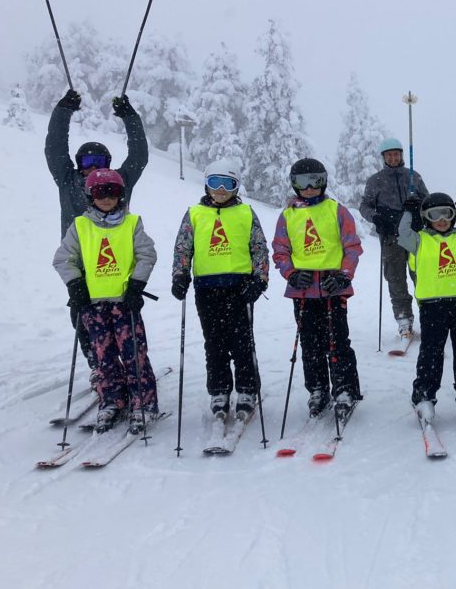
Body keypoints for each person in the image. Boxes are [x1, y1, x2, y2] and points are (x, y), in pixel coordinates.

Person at [45, 90, 149, 379]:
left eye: (99, 161)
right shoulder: (68, 180)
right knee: (82, 314)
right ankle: (98, 364)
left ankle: (128, 367)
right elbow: (55, 148)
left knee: (121, 317)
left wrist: (129, 116)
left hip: (116, 263)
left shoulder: (119, 183)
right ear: (79, 164)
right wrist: (63, 110)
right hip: (81, 259)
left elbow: (139, 155)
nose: (93, 168)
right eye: (87, 161)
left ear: (108, 163)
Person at [52, 169, 159, 434]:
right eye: (101, 193)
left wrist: (137, 284)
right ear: (91, 196)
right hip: (94, 304)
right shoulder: (80, 226)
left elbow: (147, 254)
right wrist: (75, 285)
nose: (107, 198)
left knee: (134, 353)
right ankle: (112, 400)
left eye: (113, 192)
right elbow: (63, 259)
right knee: (104, 355)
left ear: (121, 195)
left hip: (124, 303)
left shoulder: (132, 223)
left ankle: (143, 403)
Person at [171, 160, 269, 420]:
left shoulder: (246, 213)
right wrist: (180, 275)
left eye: (228, 184)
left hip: (240, 287)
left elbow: (259, 248)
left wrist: (259, 279)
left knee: (242, 342)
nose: (221, 190)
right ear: (206, 184)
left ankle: (247, 388)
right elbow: (183, 248)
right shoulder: (195, 213)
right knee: (214, 342)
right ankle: (219, 389)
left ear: (236, 187)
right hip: (207, 287)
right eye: (215, 183)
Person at [272, 159, 363, 419]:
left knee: (337, 340)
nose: (310, 188)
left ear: (324, 181)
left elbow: (352, 246)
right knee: (310, 343)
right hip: (303, 290)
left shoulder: (337, 210)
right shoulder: (288, 215)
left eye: (315, 181)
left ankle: (345, 389)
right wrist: (290, 273)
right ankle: (318, 389)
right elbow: (280, 250)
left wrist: (344, 276)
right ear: (293, 184)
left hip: (332, 287)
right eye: (302, 182)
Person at [398, 190, 456, 423]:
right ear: (426, 217)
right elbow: (402, 233)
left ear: (453, 216)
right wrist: (408, 211)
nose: (441, 219)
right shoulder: (419, 240)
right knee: (431, 352)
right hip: (432, 306)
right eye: (434, 214)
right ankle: (425, 396)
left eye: (447, 214)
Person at [360, 137, 428, 340]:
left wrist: (419, 207)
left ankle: (428, 313)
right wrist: (376, 217)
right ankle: (403, 319)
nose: (393, 157)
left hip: (415, 235)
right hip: (391, 236)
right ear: (383, 157)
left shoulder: (413, 176)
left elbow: (429, 201)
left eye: (396, 154)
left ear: (401, 156)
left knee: (422, 275)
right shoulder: (376, 180)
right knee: (395, 277)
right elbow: (365, 206)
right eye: (389, 154)